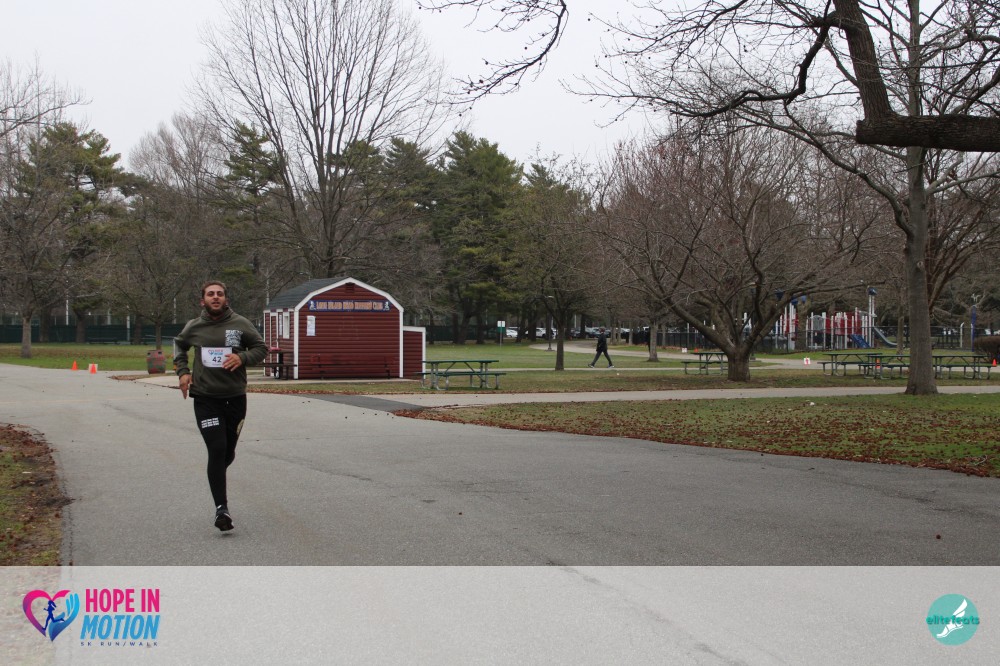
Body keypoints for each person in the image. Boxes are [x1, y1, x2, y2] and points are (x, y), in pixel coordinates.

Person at [174, 281, 268, 532]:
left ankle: (216, 473)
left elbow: (261, 348)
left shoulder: (240, 324)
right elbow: (179, 344)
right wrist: (183, 371)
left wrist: (242, 357)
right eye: (210, 294)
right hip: (205, 398)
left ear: (226, 299)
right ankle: (221, 510)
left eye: (219, 294)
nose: (215, 297)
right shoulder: (194, 326)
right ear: (202, 300)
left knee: (227, 453)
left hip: (235, 398)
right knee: (216, 449)